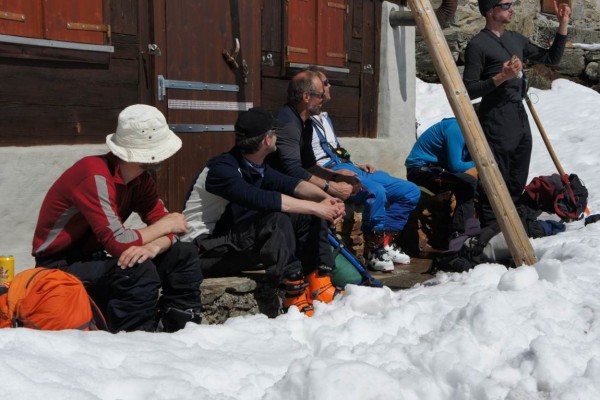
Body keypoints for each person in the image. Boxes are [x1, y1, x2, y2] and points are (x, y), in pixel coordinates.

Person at [32, 104, 203, 333]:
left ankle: (181, 329)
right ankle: (134, 339)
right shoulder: (94, 174)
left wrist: (154, 247)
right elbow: (119, 242)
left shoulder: (141, 180)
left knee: (183, 253)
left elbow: (176, 227)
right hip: (58, 266)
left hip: (93, 258)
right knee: (137, 270)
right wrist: (164, 226)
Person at [181, 107, 345, 317]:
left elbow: (293, 184)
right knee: (275, 218)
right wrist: (318, 207)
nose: (277, 137)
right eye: (275, 133)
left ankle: (319, 282)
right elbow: (264, 200)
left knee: (305, 212)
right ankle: (292, 293)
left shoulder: (255, 165)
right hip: (203, 250)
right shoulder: (221, 171)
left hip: (231, 245)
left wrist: (327, 200)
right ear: (267, 140)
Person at [462, 0, 571, 228]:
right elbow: (469, 90)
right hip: (496, 117)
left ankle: (511, 230)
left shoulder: (515, 39)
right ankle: (491, 232)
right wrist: (501, 77)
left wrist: (563, 24)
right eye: (506, 5)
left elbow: (552, 58)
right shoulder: (478, 45)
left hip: (519, 115)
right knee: (497, 178)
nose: (512, 9)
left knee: (518, 176)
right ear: (491, 11)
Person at [305, 66, 421, 272]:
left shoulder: (324, 117)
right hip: (330, 171)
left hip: (347, 166)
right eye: (325, 83)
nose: (329, 87)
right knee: (376, 191)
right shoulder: (302, 121)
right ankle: (373, 249)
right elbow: (308, 160)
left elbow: (335, 149)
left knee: (410, 191)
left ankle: (385, 242)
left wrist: (356, 163)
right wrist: (334, 175)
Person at [405, 117, 479, 237]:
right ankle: (460, 234)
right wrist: (480, 163)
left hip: (436, 169)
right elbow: (456, 166)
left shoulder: (468, 133)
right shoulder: (457, 128)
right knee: (467, 185)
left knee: (475, 185)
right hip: (420, 170)